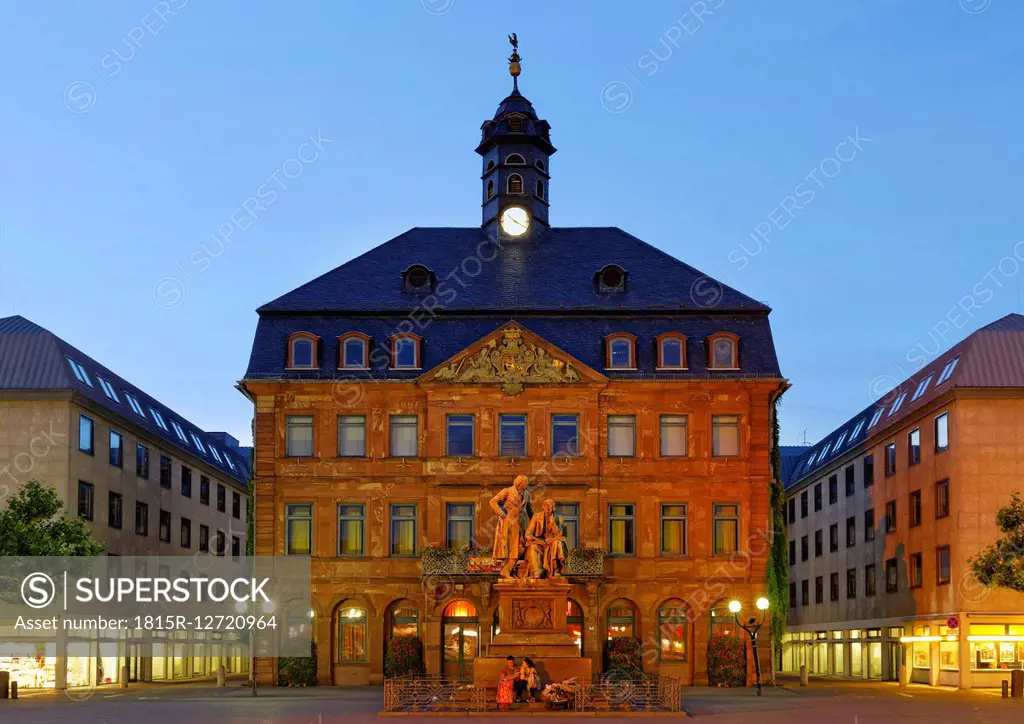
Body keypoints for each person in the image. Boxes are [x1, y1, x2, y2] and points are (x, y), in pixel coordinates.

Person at [490, 475, 530, 578]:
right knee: (511, 548)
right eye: (525, 482)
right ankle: (508, 570)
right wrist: (502, 514)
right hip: (508, 523)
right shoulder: (507, 491)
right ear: (519, 483)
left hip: (521, 524)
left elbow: (530, 509)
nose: (527, 484)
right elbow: (493, 502)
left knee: (521, 547)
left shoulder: (526, 494)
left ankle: (509, 570)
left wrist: (537, 521)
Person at [524, 498, 568, 578]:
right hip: (540, 544)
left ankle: (556, 569)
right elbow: (528, 533)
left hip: (552, 544)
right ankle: (538, 571)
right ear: (542, 507)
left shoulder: (559, 518)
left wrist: (553, 523)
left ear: (553, 508)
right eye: (545, 505)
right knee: (533, 547)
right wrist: (536, 540)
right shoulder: (536, 517)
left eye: (549, 506)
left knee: (557, 543)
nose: (547, 508)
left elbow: (563, 536)